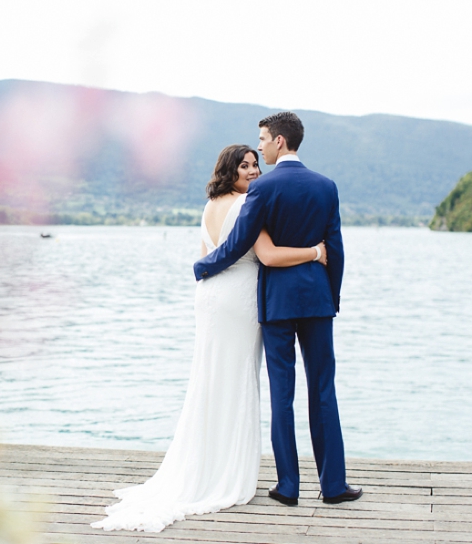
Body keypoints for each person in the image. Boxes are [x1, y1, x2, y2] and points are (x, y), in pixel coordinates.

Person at [91, 145, 327, 533]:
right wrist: (316, 252)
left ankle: (204, 463)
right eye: (245, 166)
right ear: (230, 170)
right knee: (235, 381)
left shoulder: (209, 205)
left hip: (210, 296)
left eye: (255, 164)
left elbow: (208, 253)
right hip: (239, 298)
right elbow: (266, 255)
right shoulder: (249, 203)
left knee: (210, 380)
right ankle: (225, 473)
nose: (252, 171)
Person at [194, 112, 362, 506]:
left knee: (281, 395)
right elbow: (334, 249)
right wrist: (331, 296)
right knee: (323, 390)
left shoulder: (263, 189)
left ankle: (288, 486)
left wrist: (203, 267)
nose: (262, 147)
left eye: (264, 140)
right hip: (318, 301)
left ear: (280, 142)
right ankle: (333, 485)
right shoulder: (327, 186)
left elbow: (238, 243)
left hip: (277, 304)